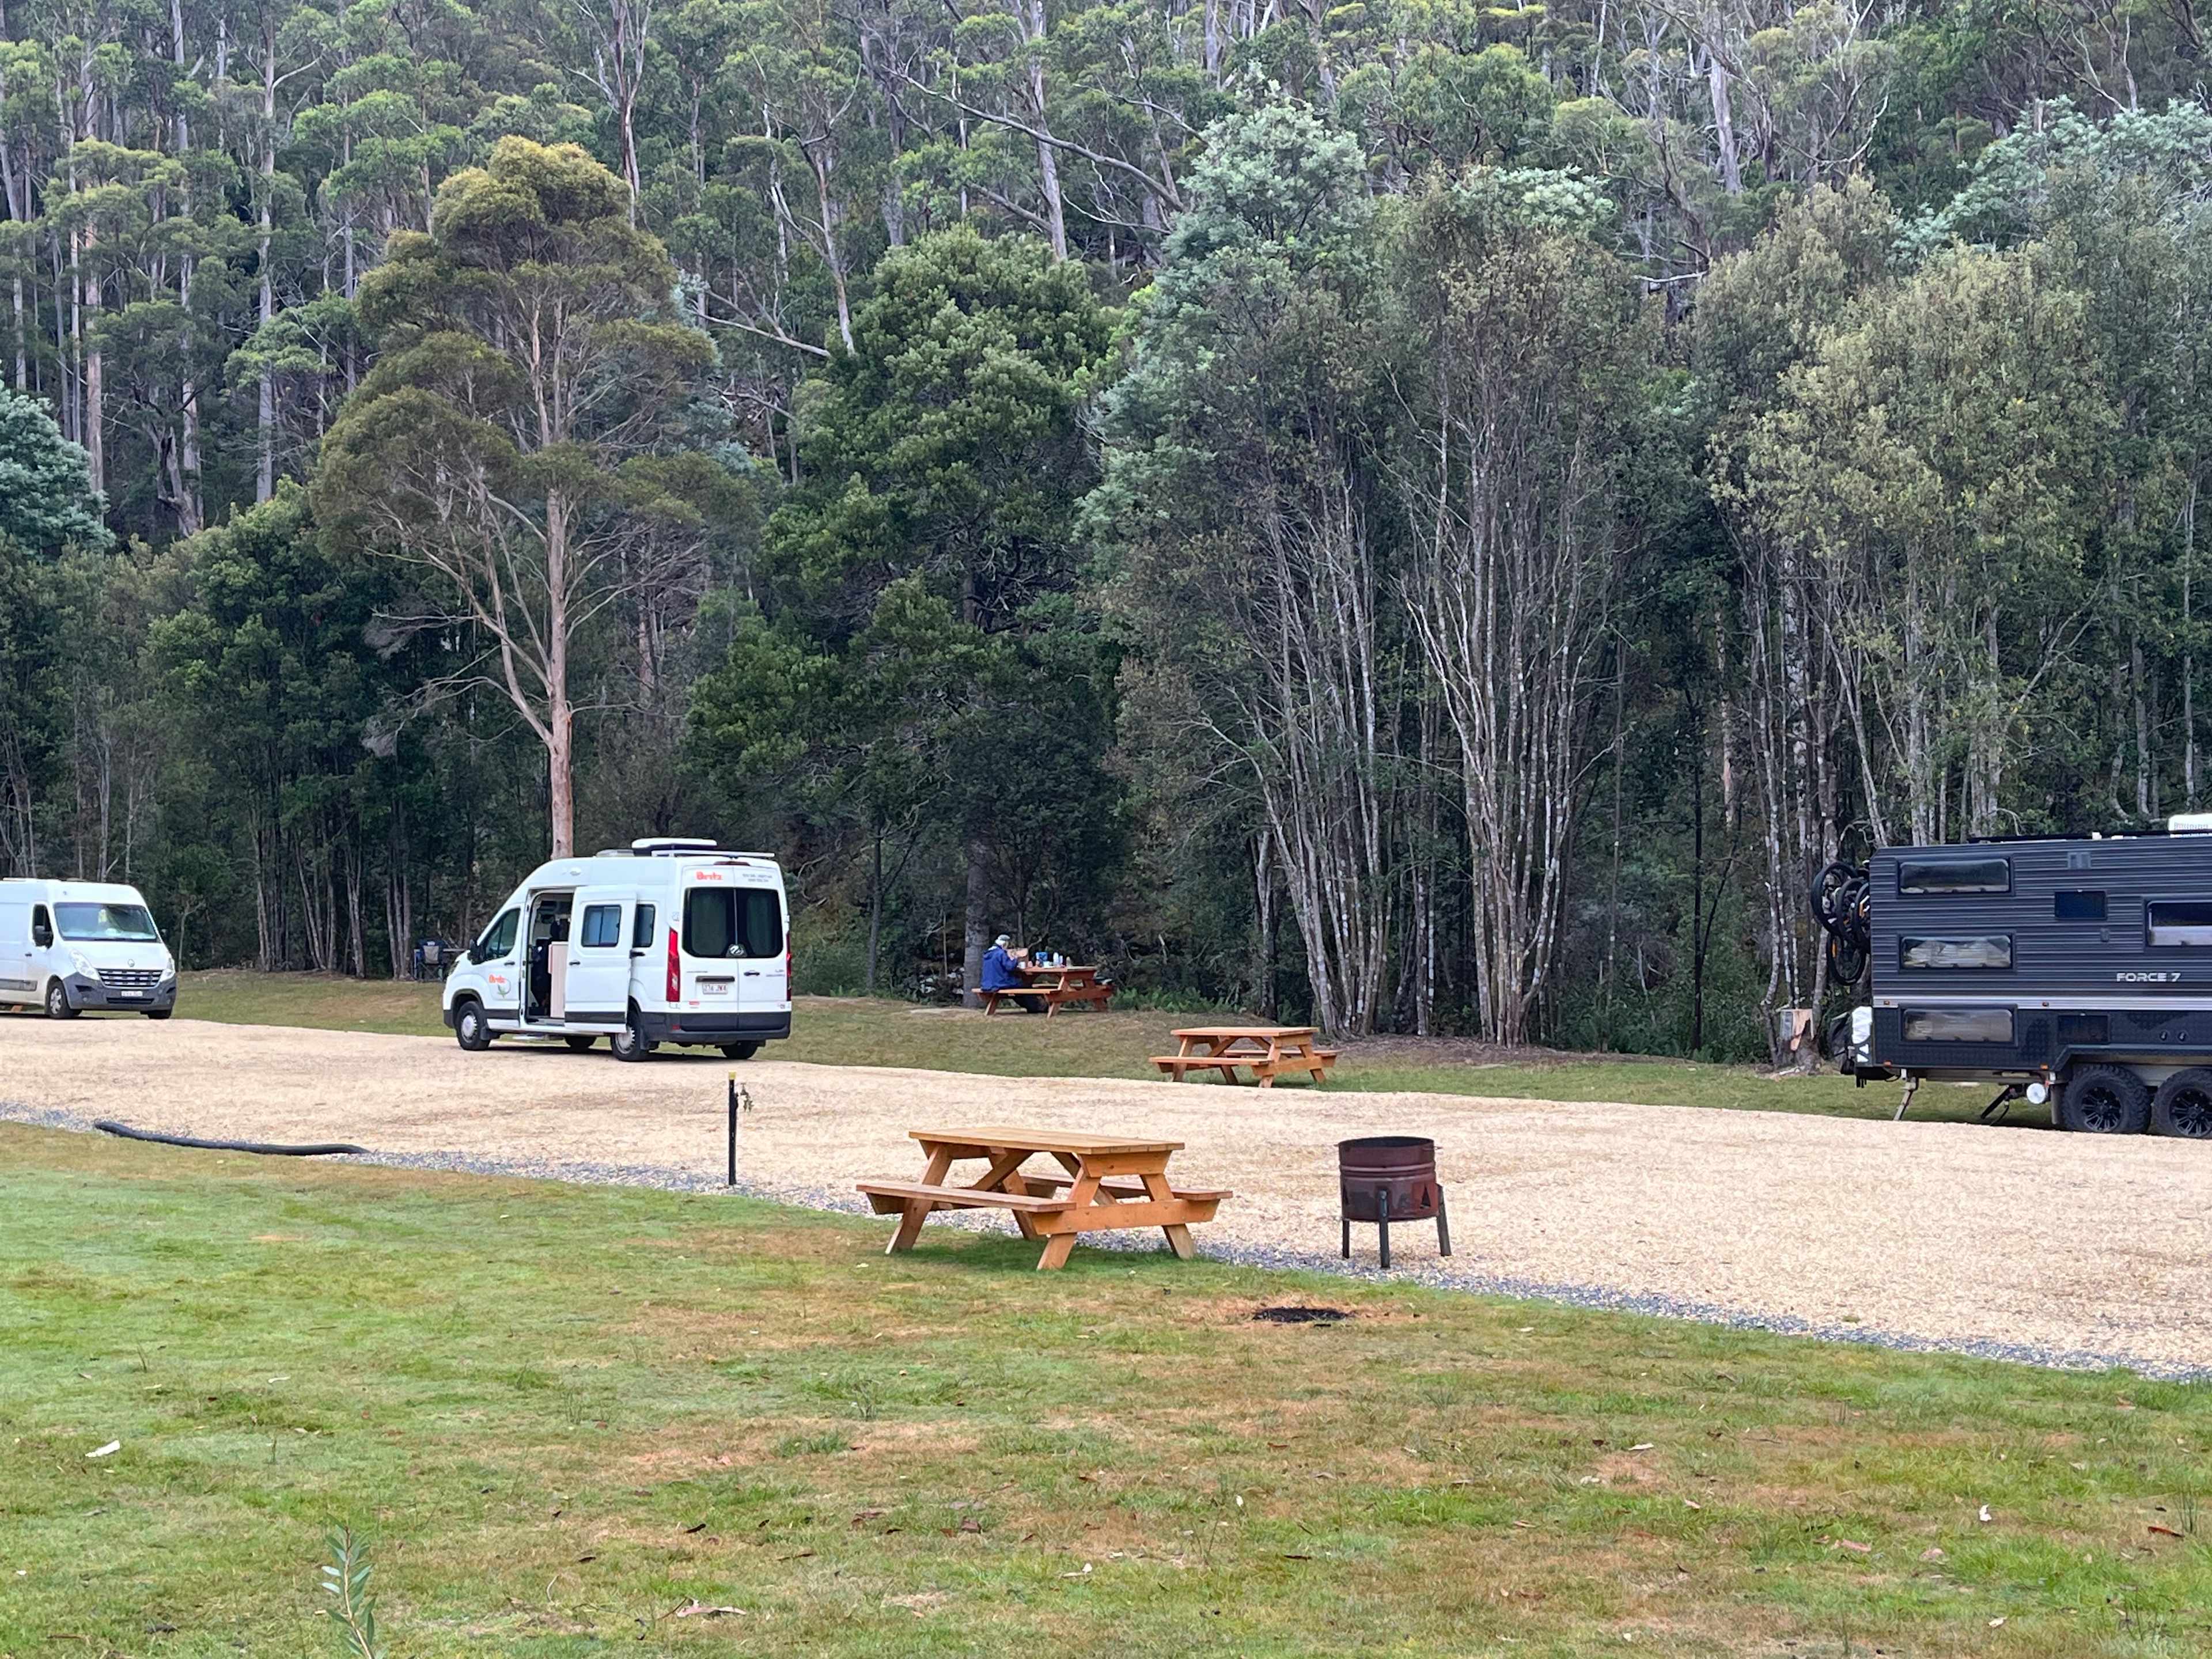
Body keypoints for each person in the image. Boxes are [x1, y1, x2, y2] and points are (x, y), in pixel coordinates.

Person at [980, 933, 1043, 1012]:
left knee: (1019, 987)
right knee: (1024, 986)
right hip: (999, 983)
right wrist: (1015, 959)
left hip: (987, 984)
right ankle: (1036, 1007)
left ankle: (1034, 1007)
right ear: (1005, 944)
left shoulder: (988, 954)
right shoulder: (1000, 953)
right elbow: (1010, 967)